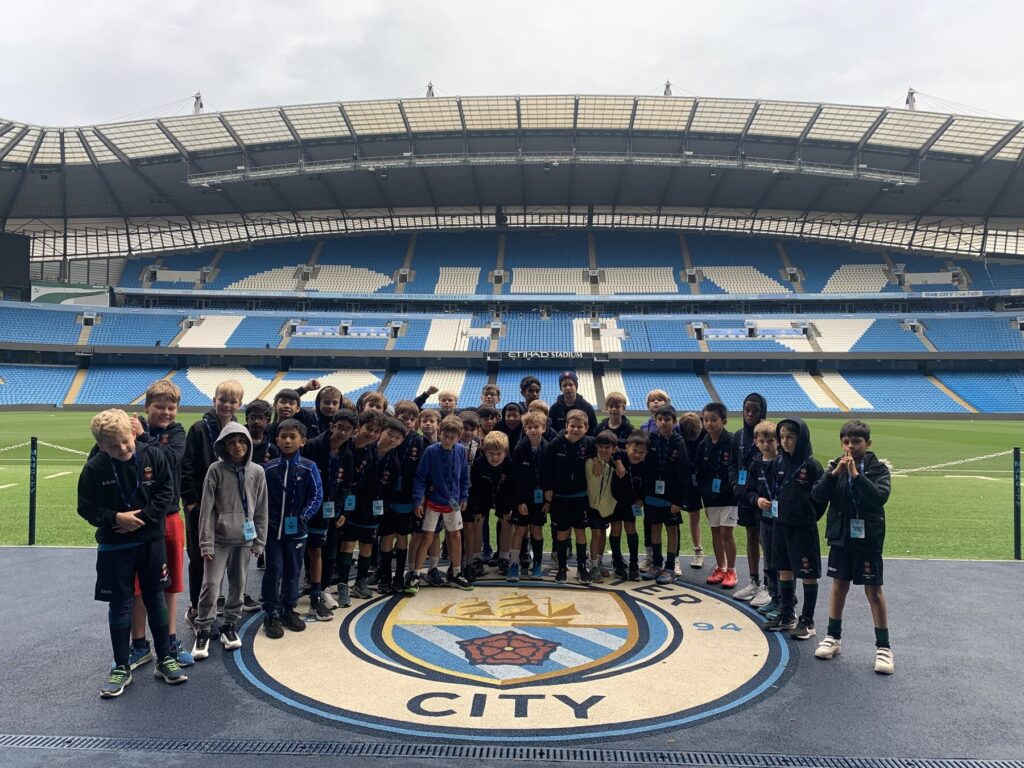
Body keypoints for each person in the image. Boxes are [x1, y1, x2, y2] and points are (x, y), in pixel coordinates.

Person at [78, 409, 187, 698]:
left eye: (126, 441)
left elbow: (167, 492)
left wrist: (143, 517)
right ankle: (121, 667)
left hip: (150, 542)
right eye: (114, 446)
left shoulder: (152, 455)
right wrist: (115, 518)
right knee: (121, 604)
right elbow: (85, 507)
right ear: (101, 446)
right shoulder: (95, 467)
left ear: (133, 432)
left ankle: (165, 658)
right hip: (115, 547)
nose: (123, 448)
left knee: (155, 597)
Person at [117, 380, 192, 669]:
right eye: (159, 407)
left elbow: (170, 459)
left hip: (169, 517)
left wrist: (143, 436)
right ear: (147, 407)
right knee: (138, 586)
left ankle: (170, 639)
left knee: (170, 583)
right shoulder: (131, 433)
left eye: (171, 407)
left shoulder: (176, 432)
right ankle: (139, 644)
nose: (166, 412)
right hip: (137, 518)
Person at [811, 420, 894, 674]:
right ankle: (833, 638)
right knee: (839, 586)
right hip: (841, 536)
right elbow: (816, 496)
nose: (850, 447)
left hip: (868, 538)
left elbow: (879, 498)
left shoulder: (879, 469)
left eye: (856, 442)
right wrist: (834, 475)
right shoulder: (834, 467)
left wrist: (856, 477)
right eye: (846, 442)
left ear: (867, 444)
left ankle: (884, 648)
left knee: (873, 590)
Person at [192, 423, 268, 659]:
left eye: (242, 441)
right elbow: (207, 509)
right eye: (232, 442)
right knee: (211, 585)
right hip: (218, 540)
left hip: (244, 540)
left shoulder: (257, 472)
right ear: (224, 445)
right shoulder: (215, 470)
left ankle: (229, 626)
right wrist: (205, 542)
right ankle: (203, 628)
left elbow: (262, 509)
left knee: (238, 586)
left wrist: (259, 541)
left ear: (248, 443)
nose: (237, 446)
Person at [181, 379, 244, 629]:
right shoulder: (198, 428)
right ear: (214, 400)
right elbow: (186, 466)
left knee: (225, 557)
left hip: (228, 506)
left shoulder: (238, 428)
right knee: (199, 556)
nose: (227, 404)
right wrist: (191, 502)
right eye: (223, 399)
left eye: (232, 401)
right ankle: (195, 607)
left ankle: (214, 601)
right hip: (201, 506)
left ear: (239, 404)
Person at [764, 418, 825, 640]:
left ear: (801, 438)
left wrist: (807, 516)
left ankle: (807, 621)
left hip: (802, 529)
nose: (785, 441)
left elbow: (820, 499)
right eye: (782, 437)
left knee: (808, 574)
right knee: (784, 570)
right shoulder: (779, 462)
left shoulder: (811, 465)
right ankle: (787, 615)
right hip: (781, 525)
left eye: (790, 437)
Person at [261, 419, 323, 639]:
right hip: (273, 532)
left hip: (297, 531)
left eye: (292, 437)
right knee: (274, 569)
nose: (287, 441)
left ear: (302, 441)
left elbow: (317, 496)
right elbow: (261, 498)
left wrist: (303, 517)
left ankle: (288, 608)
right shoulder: (268, 468)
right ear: (276, 439)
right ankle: (270, 611)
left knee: (293, 571)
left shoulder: (309, 467)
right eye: (283, 437)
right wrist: (265, 521)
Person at [336, 417, 405, 601]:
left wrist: (382, 509)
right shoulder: (364, 451)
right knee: (348, 544)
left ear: (401, 442)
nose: (391, 439)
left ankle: (361, 582)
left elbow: (390, 491)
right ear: (381, 433)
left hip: (374, 511)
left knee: (367, 545)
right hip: (354, 507)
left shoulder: (394, 463)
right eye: (389, 434)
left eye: (397, 438)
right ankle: (343, 583)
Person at [405, 415, 472, 593]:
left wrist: (464, 496)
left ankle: (456, 572)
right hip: (434, 501)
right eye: (445, 435)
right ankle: (416, 575)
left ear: (458, 436)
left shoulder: (460, 450)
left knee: (455, 535)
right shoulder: (431, 451)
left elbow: (465, 476)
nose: (448, 439)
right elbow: (420, 477)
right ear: (440, 432)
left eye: (452, 436)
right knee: (427, 536)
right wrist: (418, 500)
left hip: (454, 502)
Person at [542, 409, 597, 583]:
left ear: (586, 428)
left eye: (579, 426)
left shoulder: (590, 444)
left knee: (580, 531)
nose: (575, 429)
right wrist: (548, 490)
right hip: (560, 497)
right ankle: (562, 567)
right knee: (561, 533)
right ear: (566, 426)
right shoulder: (555, 444)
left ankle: (582, 568)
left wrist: (597, 460)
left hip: (580, 497)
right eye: (572, 426)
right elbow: (547, 469)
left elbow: (610, 447)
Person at [640, 405, 690, 585]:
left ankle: (670, 566)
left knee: (671, 529)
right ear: (655, 420)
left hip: (671, 497)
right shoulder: (651, 439)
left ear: (674, 422)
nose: (663, 422)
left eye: (667, 419)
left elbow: (684, 472)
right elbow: (644, 468)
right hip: (653, 494)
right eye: (660, 419)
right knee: (654, 527)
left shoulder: (679, 442)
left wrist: (679, 500)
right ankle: (656, 564)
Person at [377, 403, 424, 594]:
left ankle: (398, 576)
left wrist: (418, 498)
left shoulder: (417, 441)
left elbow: (421, 472)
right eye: (404, 417)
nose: (408, 422)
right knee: (386, 535)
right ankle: (385, 575)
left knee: (402, 536)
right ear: (396, 417)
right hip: (386, 496)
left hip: (406, 497)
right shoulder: (388, 438)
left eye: (412, 419)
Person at [729, 393, 768, 602]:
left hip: (763, 497)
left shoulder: (769, 433)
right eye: (747, 410)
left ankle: (769, 586)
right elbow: (733, 465)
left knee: (765, 539)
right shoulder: (738, 436)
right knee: (751, 536)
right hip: (745, 496)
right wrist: (736, 484)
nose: (751, 414)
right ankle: (754, 582)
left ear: (762, 411)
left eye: (755, 410)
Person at [697, 402, 738, 589]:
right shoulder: (703, 443)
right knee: (714, 531)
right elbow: (699, 471)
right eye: (706, 420)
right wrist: (704, 490)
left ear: (724, 421)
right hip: (710, 498)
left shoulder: (732, 442)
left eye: (714, 420)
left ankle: (731, 570)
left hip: (729, 497)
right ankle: (720, 567)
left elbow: (737, 468)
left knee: (726, 532)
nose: (709, 423)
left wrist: (732, 487)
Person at [468, 431, 515, 578]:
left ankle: (504, 558)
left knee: (507, 521)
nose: (495, 457)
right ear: (484, 452)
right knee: (478, 521)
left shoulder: (509, 464)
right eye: (491, 454)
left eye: (499, 454)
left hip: (503, 493)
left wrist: (510, 505)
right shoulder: (479, 463)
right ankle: (476, 558)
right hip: (482, 493)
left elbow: (512, 487)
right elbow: (474, 486)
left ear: (505, 453)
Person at [509, 411, 550, 580]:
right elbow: (515, 478)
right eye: (530, 427)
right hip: (523, 499)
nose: (533, 430)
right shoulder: (520, 448)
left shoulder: (548, 447)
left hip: (540, 499)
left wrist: (548, 500)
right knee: (519, 530)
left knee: (537, 530)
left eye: (536, 427)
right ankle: (513, 563)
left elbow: (550, 477)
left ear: (544, 428)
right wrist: (519, 501)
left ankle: (538, 563)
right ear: (525, 429)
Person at [745, 420, 780, 614]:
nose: (766, 444)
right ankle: (773, 596)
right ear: (756, 442)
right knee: (768, 557)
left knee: (780, 560)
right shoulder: (755, 464)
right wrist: (757, 500)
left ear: (778, 442)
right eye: (762, 441)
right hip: (764, 518)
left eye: (770, 440)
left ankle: (783, 599)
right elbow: (749, 490)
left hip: (782, 520)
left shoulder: (783, 462)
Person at [611, 432, 648, 580]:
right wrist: (619, 461)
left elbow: (646, 486)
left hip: (632, 503)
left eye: (641, 452)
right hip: (614, 501)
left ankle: (634, 563)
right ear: (627, 448)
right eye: (634, 450)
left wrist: (641, 499)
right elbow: (615, 449)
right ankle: (617, 561)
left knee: (631, 528)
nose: (637, 455)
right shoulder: (619, 458)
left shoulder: (644, 466)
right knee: (616, 528)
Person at [586, 431, 619, 582]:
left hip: (607, 506)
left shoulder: (616, 463)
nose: (604, 450)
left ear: (613, 448)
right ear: (596, 447)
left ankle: (598, 561)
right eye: (601, 447)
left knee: (603, 532)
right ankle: (592, 565)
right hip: (592, 505)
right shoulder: (591, 463)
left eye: (607, 447)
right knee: (596, 534)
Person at [679, 411, 706, 569]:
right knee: (693, 515)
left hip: (708, 480)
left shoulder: (707, 433)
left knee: (714, 518)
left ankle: (721, 558)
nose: (691, 440)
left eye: (694, 437)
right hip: (690, 480)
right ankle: (698, 551)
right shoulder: (680, 434)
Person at [549, 371, 598, 435]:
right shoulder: (554, 409)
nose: (568, 388)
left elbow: (594, 430)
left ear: (576, 386)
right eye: (564, 385)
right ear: (561, 388)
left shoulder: (587, 407)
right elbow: (551, 431)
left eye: (571, 384)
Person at [245, 400, 279, 467]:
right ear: (246, 419)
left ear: (268, 421)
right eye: (252, 417)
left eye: (261, 418)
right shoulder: (239, 443)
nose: (256, 421)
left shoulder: (271, 449)